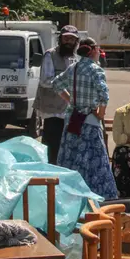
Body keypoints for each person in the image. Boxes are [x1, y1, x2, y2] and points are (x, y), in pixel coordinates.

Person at [52, 37, 118, 200]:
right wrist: (101, 113)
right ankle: (97, 197)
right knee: (94, 163)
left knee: (71, 160)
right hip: (89, 122)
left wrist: (70, 101)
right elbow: (104, 96)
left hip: (72, 121)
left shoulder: (73, 68)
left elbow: (56, 84)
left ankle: (69, 195)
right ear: (93, 50)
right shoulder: (96, 70)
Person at [34, 25, 80, 165]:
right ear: (60, 39)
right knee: (52, 150)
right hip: (53, 112)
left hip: (70, 112)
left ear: (76, 42)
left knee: (69, 149)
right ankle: (51, 182)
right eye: (66, 38)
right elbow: (46, 81)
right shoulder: (50, 54)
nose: (68, 41)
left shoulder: (76, 58)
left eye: (72, 39)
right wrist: (66, 84)